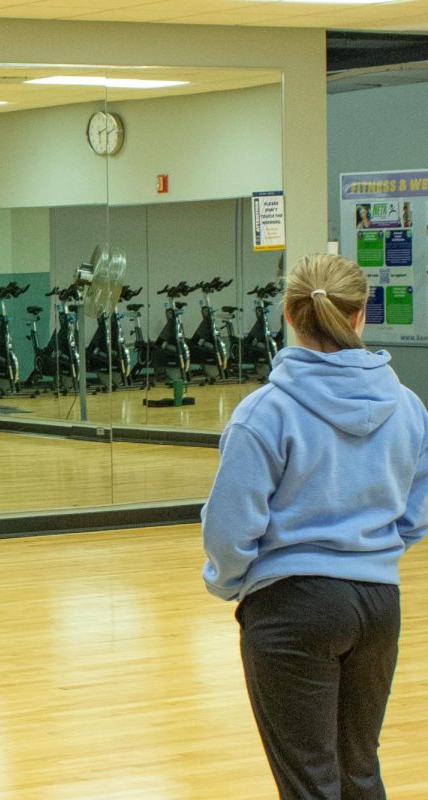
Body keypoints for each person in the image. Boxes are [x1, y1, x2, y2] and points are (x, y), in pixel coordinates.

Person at [201, 253, 428, 799]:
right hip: (379, 607)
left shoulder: (263, 413)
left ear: (288, 313)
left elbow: (231, 529)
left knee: (310, 783)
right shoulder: (408, 407)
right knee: (359, 770)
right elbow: (415, 515)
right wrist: (369, 555)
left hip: (292, 609)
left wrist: (231, 584)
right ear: (360, 316)